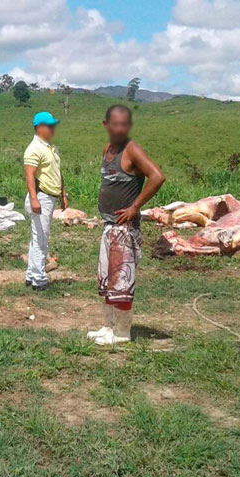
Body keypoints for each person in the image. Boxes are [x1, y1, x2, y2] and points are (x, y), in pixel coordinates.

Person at [87, 105, 165, 345]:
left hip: (124, 230)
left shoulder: (132, 151)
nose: (119, 129)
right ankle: (109, 326)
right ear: (106, 125)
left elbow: (157, 176)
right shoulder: (107, 150)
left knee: (122, 280)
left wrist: (134, 207)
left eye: (124, 124)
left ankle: (122, 332)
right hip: (109, 226)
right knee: (108, 279)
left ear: (128, 126)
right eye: (115, 124)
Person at [23, 112, 68, 291]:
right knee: (41, 239)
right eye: (49, 126)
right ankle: (39, 279)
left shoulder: (50, 147)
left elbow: (57, 171)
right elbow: (29, 174)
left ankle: (31, 275)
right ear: (39, 127)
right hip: (41, 197)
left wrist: (62, 193)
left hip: (49, 197)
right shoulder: (34, 148)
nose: (52, 129)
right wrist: (34, 199)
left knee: (38, 238)